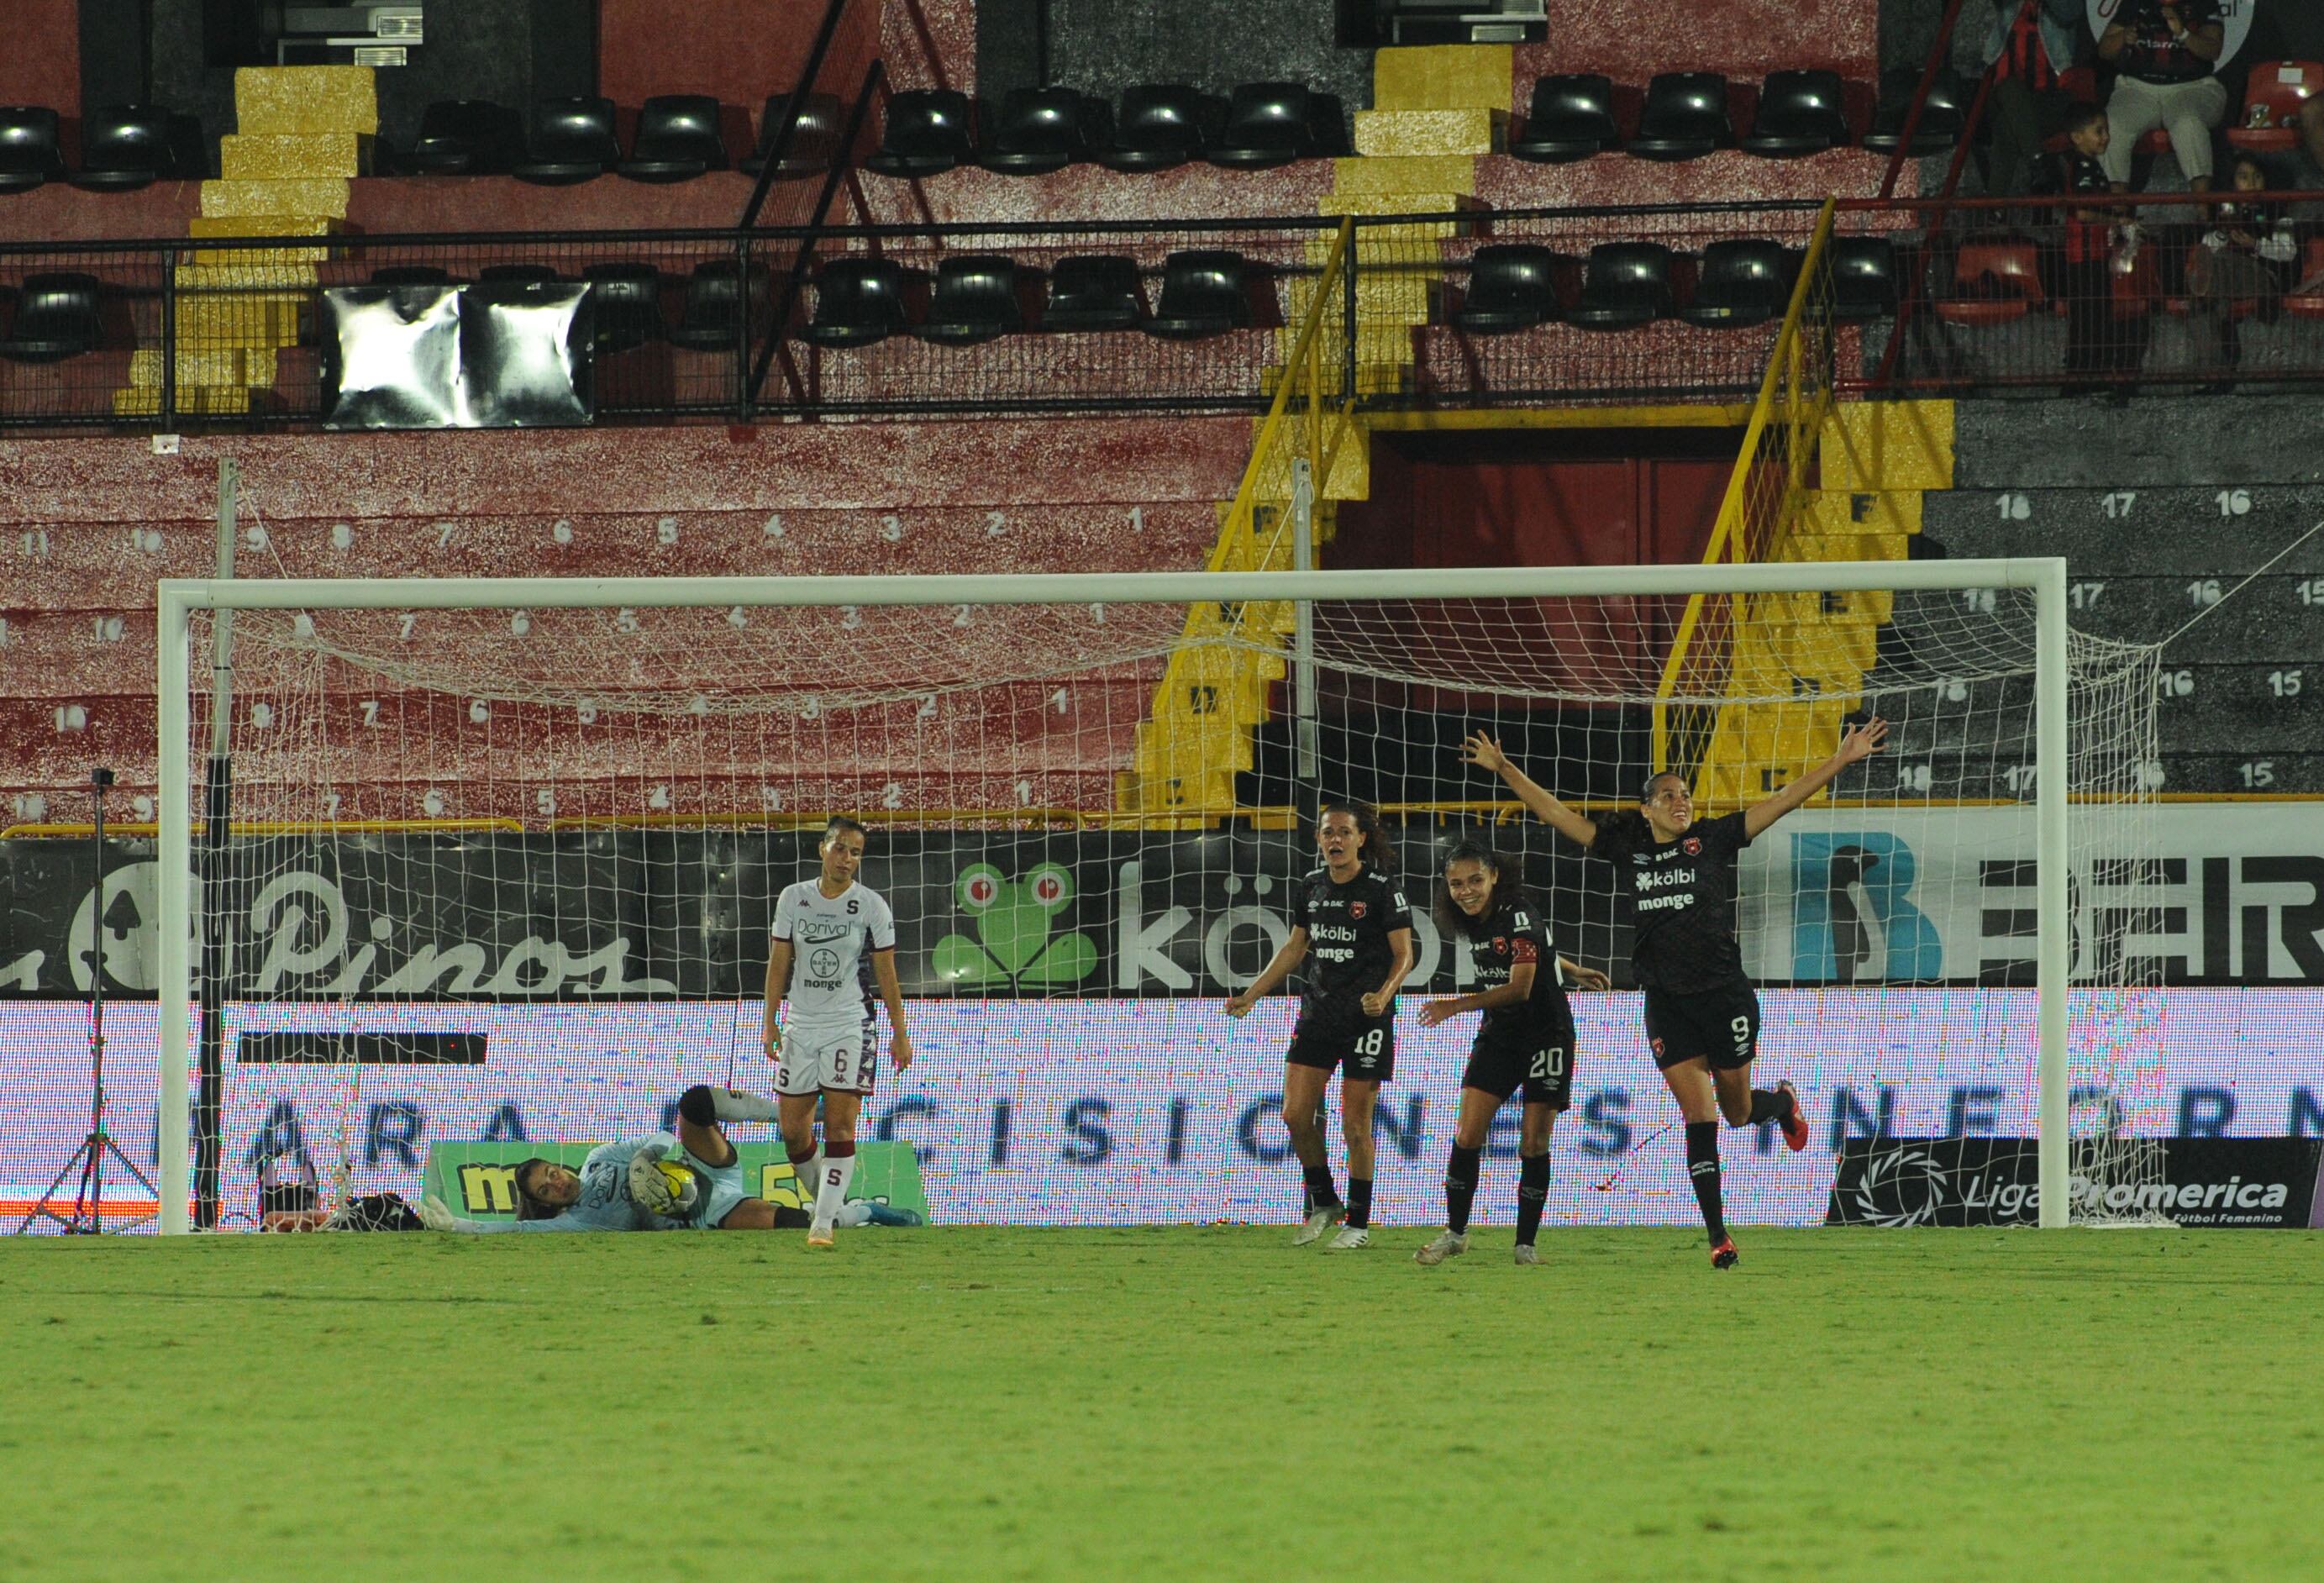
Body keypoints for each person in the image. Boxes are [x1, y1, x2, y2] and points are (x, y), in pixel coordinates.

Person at [1461, 721, 1889, 1269]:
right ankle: (1718, 1235)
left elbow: (1781, 800)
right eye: (1667, 795)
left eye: (1685, 794)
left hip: (1724, 997)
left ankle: (1780, 1102)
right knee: (1700, 1115)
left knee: (1737, 1113)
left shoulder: (1711, 840)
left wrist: (1842, 759)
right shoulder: (1628, 849)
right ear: (1646, 809)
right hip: (1667, 1002)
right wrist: (1505, 770)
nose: (1680, 801)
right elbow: (1561, 817)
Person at [1225, 800, 1415, 1251]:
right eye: (1328, 832)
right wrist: (1252, 994)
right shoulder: (1311, 886)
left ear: (1361, 839)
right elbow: (1295, 948)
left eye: (1345, 832)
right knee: (1294, 1115)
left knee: (1355, 1125)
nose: (1336, 840)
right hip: (1318, 1014)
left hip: (1366, 1020)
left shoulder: (1383, 889)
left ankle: (1359, 1222)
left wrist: (1383, 996)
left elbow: (1405, 955)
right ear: (1319, 839)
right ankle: (1325, 1200)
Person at [1412, 839, 1610, 1268]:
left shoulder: (1517, 913)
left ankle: (1525, 1245)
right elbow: (1537, 954)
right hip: (1501, 1035)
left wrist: (1454, 1006)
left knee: (1534, 1141)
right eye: (1456, 883)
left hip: (1546, 1035)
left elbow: (1520, 988)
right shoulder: (1475, 919)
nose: (1466, 891)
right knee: (1468, 1134)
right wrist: (1571, 969)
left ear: (1495, 876)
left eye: (1475, 881)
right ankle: (1456, 1234)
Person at [418, 1084, 921, 1233]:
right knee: (795, 1225)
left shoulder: (597, 1159)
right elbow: (513, 1233)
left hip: (702, 1169)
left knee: (694, 1105)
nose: (555, 1183)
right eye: (545, 1191)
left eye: (550, 1173)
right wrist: (458, 1226)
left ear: (560, 1165)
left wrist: (642, 1158)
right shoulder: (579, 1222)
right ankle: (866, 1213)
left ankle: (788, 1114)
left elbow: (661, 1135)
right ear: (547, 1205)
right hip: (700, 1212)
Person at [766, 815, 914, 1248]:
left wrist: (899, 1032)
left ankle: (823, 1222)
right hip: (800, 1026)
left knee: (840, 1129)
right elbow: (780, 961)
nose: (847, 859)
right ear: (822, 849)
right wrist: (769, 1019)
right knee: (793, 1130)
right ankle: (839, 1209)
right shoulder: (794, 898)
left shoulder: (871, 905)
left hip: (850, 1025)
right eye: (840, 848)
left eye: (856, 852)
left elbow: (886, 972)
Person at [2053, 105, 2145, 402]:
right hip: (2084, 255)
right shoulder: (2082, 166)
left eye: (2106, 131)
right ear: (2077, 137)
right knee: (2089, 318)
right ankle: (2081, 379)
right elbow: (2082, 211)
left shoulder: (2089, 166)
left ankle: (2087, 378)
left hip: (2093, 253)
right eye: (2099, 131)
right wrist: (2117, 221)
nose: (2105, 137)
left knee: (2093, 317)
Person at [2185, 151, 2298, 382]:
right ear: (2233, 182)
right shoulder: (2226, 212)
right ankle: (2217, 372)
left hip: (2262, 277)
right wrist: (2224, 234)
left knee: (2215, 273)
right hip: (2226, 279)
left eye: (2257, 176)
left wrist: (2255, 244)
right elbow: (2207, 245)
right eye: (2243, 177)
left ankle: (2218, 368)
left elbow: (2288, 251)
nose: (2252, 183)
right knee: (2208, 299)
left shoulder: (2278, 214)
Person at [2098, 0, 2227, 194]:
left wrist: (2183, 33)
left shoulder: (2203, 3)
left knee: (2187, 123)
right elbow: (2104, 50)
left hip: (2192, 87)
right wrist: (2123, 37)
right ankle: (2117, 218)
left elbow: (2213, 50)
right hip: (2139, 88)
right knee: (2113, 128)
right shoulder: (2135, 4)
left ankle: (2203, 216)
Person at [1978, 0, 2094, 197]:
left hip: (2051, 94)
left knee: (2007, 129)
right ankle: (2039, 165)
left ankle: (1995, 211)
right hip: (2007, 91)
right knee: (2008, 89)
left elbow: (2069, 12)